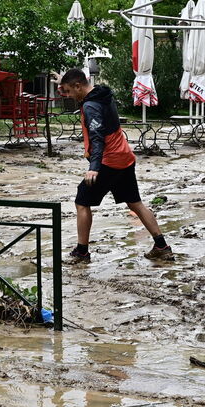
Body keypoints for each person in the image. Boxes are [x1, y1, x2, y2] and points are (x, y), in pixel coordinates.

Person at [57, 68, 173, 264]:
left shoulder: (91, 106)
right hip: (125, 158)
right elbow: (82, 88)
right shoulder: (103, 93)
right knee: (135, 203)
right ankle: (162, 246)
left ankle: (82, 252)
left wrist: (94, 167)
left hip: (107, 162)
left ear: (78, 86)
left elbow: (97, 137)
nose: (68, 96)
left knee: (82, 201)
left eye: (69, 91)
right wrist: (64, 80)